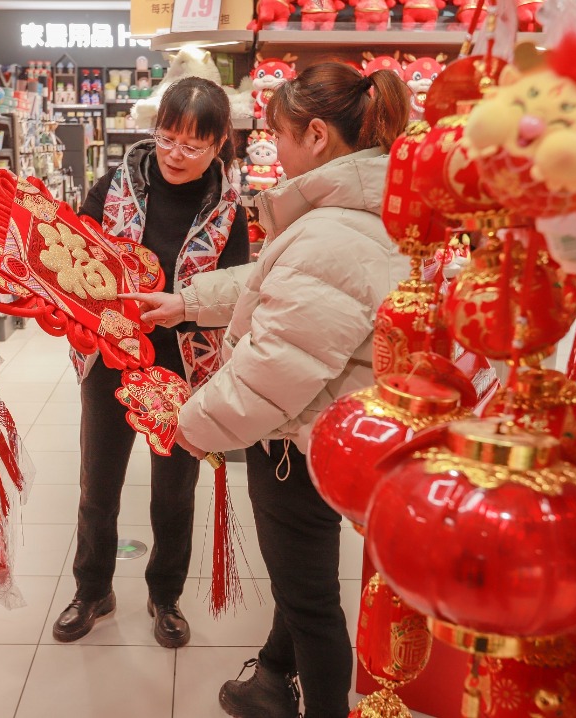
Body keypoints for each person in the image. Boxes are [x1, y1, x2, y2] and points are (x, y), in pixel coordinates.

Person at [126, 63, 410, 718]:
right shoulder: (361, 211)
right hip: (339, 431)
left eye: (277, 134)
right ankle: (271, 676)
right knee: (301, 578)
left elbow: (272, 374)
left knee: (311, 601)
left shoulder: (330, 232)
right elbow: (275, 285)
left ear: (315, 135)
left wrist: (187, 424)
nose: (270, 149)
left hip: (297, 442)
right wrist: (187, 302)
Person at [52, 76, 250, 649]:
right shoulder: (116, 184)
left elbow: (234, 294)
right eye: (167, 137)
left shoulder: (228, 213)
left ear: (220, 146)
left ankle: (166, 597)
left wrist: (180, 310)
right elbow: (76, 249)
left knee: (173, 490)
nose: (175, 154)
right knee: (99, 484)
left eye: (193, 145)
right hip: (111, 361)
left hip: (184, 368)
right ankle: (92, 590)